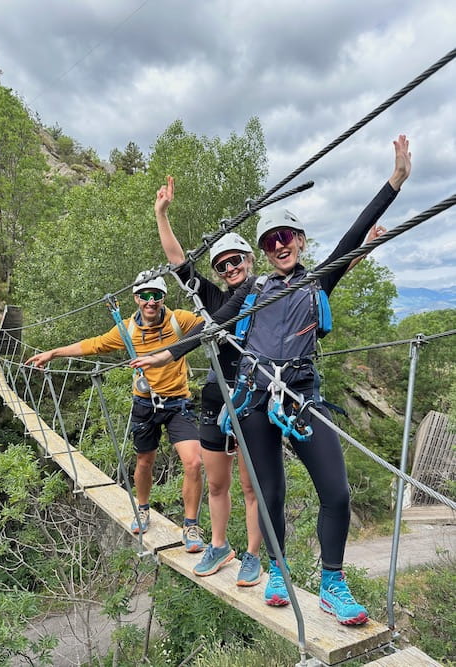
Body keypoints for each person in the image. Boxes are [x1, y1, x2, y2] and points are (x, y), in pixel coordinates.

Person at [132, 135, 411, 624]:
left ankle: (332, 582)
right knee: (270, 494)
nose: (279, 244)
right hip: (256, 400)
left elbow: (352, 236)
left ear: (300, 242)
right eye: (271, 240)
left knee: (336, 492)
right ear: (264, 251)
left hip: (302, 396)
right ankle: (280, 571)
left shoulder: (317, 280)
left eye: (287, 237)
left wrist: (395, 181)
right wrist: (165, 356)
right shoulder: (252, 291)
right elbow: (214, 326)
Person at [25, 273, 205, 553]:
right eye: (144, 296)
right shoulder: (127, 330)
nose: (150, 301)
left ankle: (191, 525)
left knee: (193, 462)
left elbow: (212, 323)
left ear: (163, 298)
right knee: (144, 461)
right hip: (145, 404)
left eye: (156, 295)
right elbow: (92, 345)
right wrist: (53, 353)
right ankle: (143, 509)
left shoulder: (178, 320)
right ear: (136, 298)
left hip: (177, 403)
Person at [154, 176, 264, 586]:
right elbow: (179, 265)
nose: (230, 268)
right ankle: (220, 545)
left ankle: (253, 555)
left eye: (236, 261)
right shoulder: (213, 300)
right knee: (217, 482)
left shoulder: (266, 293)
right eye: (223, 265)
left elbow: (316, 283)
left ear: (249, 261)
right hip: (217, 397)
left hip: (252, 396)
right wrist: (161, 215)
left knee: (252, 486)